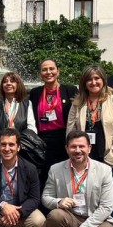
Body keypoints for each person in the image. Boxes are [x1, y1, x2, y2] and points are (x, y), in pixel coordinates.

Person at [42, 130, 113, 227]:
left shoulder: (104, 170)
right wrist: (58, 202)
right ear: (67, 149)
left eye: (82, 146)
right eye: (73, 147)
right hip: (70, 217)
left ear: (89, 148)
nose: (77, 150)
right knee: (55, 215)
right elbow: (45, 197)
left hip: (95, 219)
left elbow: (106, 207)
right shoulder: (55, 169)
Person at [66, 66, 113, 227]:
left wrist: (110, 159)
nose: (93, 82)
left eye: (97, 78)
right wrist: (74, 154)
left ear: (103, 80)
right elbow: (70, 131)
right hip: (84, 158)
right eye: (89, 79)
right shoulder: (78, 103)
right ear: (84, 83)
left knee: (108, 197)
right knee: (87, 195)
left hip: (109, 158)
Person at [29, 59, 78, 197]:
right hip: (42, 141)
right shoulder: (35, 93)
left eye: (52, 69)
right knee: (45, 176)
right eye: (44, 69)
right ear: (40, 73)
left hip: (64, 139)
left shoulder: (70, 90)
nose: (48, 72)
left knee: (65, 175)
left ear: (58, 71)